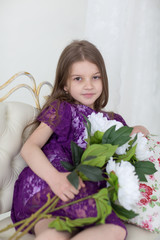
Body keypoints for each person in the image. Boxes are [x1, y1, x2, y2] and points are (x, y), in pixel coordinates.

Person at [11, 40, 149, 240]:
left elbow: (135, 136)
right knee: (53, 232)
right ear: (65, 85)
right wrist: (55, 179)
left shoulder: (112, 121)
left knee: (115, 230)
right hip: (47, 181)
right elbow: (30, 148)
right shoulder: (61, 108)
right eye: (78, 79)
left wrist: (139, 130)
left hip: (83, 190)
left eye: (95, 77)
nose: (88, 85)